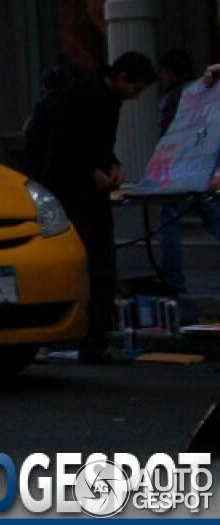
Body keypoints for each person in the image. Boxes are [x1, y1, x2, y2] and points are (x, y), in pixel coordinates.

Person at [40, 51, 156, 364]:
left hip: (89, 189)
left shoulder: (107, 98)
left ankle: (96, 335)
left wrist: (113, 163)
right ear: (120, 78)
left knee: (102, 261)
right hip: (72, 190)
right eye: (136, 88)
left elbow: (99, 143)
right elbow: (66, 141)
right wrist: (95, 169)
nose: (136, 95)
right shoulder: (82, 95)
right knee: (85, 259)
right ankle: (80, 333)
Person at [154, 49, 220, 293]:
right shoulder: (205, 91)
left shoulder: (173, 98)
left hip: (177, 168)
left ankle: (173, 279)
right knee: (213, 215)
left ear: (169, 73)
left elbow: (167, 136)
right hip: (203, 164)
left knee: (169, 223)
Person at [22, 63, 73, 181]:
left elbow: (31, 138)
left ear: (44, 86)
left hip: (45, 171)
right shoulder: (75, 107)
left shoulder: (43, 108)